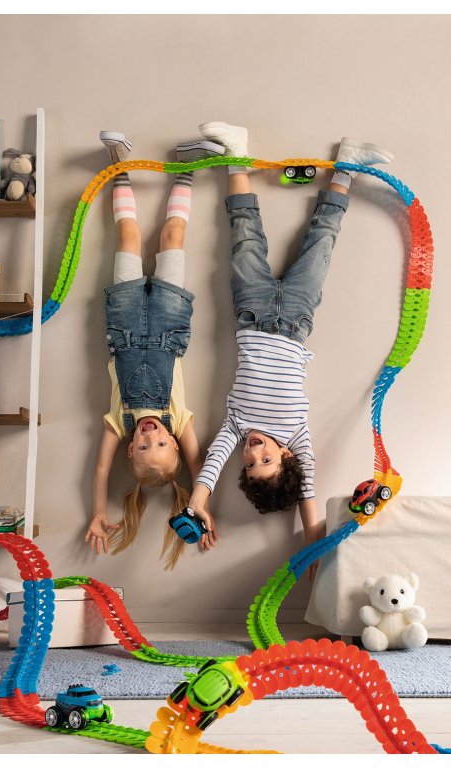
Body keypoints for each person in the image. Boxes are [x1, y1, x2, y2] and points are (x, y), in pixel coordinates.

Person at [186, 121, 393, 564]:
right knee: (323, 241)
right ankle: (347, 165)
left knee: (244, 233)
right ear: (285, 455)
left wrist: (198, 502)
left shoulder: (237, 425)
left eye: (249, 463)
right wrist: (312, 546)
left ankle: (237, 152)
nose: (253, 453)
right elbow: (308, 492)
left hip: (252, 311)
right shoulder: (296, 434)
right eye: (265, 460)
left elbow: (212, 464)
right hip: (297, 319)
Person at [85, 130, 224, 568]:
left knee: (128, 235)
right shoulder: (179, 420)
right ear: (174, 442)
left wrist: (98, 512)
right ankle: (187, 168)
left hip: (123, 323)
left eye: (144, 446)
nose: (149, 436)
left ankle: (118, 165)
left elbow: (101, 470)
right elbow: (202, 464)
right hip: (169, 323)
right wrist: (201, 507)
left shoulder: (118, 423)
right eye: (161, 443)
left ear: (130, 450)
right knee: (173, 233)